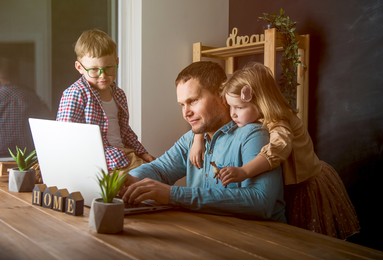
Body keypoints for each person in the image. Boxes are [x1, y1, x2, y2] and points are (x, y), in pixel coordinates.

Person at [190, 61, 359, 239]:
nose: (232, 114)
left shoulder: (279, 121)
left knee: (308, 239)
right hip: (288, 185)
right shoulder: (252, 115)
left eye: (239, 107)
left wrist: (244, 171)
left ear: (261, 102)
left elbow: (278, 149)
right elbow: (213, 120)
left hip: (304, 185)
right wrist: (198, 137)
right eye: (231, 106)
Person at [120, 61, 286, 222]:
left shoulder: (253, 134)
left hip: (261, 240)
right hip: (210, 233)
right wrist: (131, 180)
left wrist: (172, 195)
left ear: (222, 96)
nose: (186, 113)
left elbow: (261, 202)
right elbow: (160, 170)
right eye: (182, 105)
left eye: (193, 101)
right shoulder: (192, 139)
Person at [56, 29, 154, 171]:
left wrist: (142, 152)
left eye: (108, 68)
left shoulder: (118, 94)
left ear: (117, 62)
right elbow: (66, 135)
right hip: (99, 160)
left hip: (124, 154)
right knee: (143, 182)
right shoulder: (76, 93)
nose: (103, 75)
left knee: (155, 173)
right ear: (79, 67)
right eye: (94, 70)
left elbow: (125, 131)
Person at [0, 57, 52, 157]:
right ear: (16, 75)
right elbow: (47, 120)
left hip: (2, 155)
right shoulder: (31, 96)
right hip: (27, 156)